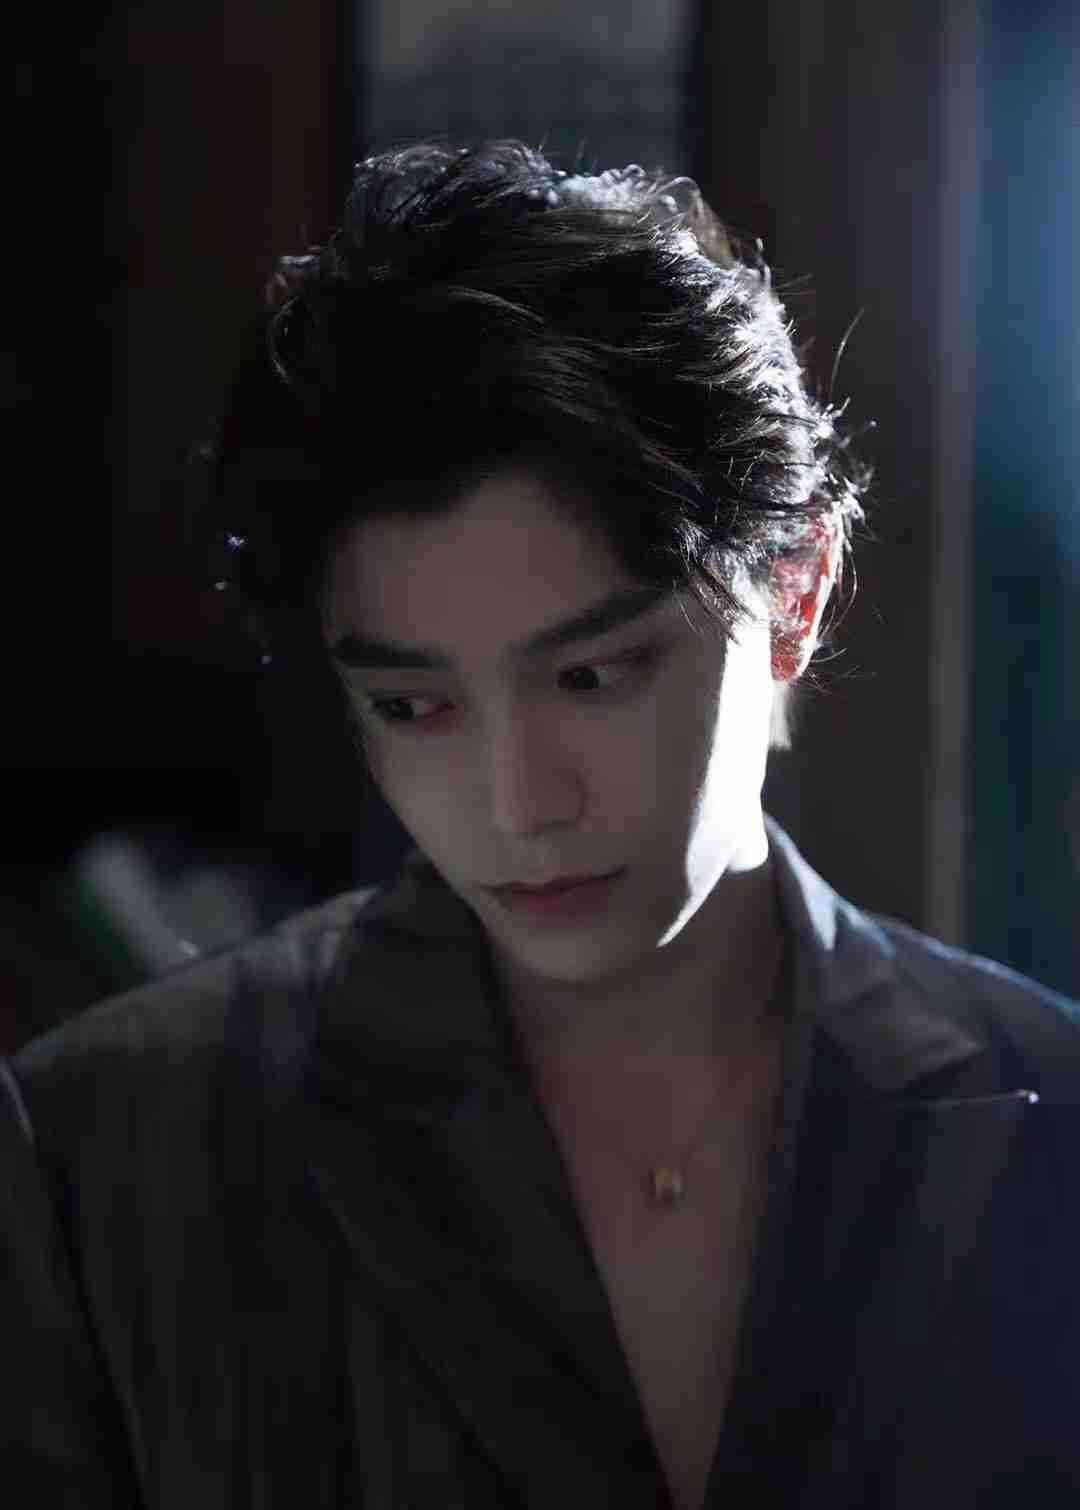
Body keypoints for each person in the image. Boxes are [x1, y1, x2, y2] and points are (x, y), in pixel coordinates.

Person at [3, 138, 1078, 1509]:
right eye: (414, 706)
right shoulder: (107, 1155)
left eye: (594, 675)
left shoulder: (1053, 1117)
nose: (519, 804)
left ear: (797, 593)